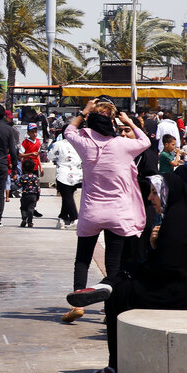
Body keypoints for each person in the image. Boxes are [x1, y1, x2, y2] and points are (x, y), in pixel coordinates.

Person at [80, 165, 187, 373]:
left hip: (185, 294)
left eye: (155, 192)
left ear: (169, 193)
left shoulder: (177, 222)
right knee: (125, 277)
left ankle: (118, 365)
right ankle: (110, 282)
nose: (150, 198)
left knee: (119, 295)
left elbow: (162, 268)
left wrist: (145, 258)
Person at [62, 98, 150, 322]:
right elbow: (145, 141)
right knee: (113, 263)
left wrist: (85, 110)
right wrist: (129, 121)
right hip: (117, 214)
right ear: (112, 120)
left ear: (91, 119)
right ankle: (111, 310)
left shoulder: (84, 142)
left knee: (82, 258)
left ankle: (78, 306)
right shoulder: (123, 144)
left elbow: (69, 130)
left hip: (91, 212)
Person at [48, 131, 82, 230]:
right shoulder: (79, 143)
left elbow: (50, 156)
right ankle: (62, 218)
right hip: (77, 174)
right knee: (68, 196)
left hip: (63, 174)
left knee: (67, 197)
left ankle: (75, 218)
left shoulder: (58, 144)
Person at [19, 157, 41, 228]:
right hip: (33, 195)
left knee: (23, 208)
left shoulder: (22, 177)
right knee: (31, 208)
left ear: (24, 168)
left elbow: (18, 184)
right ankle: (30, 222)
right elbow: (38, 187)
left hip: (25, 195)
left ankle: (24, 218)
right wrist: (38, 196)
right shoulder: (35, 177)